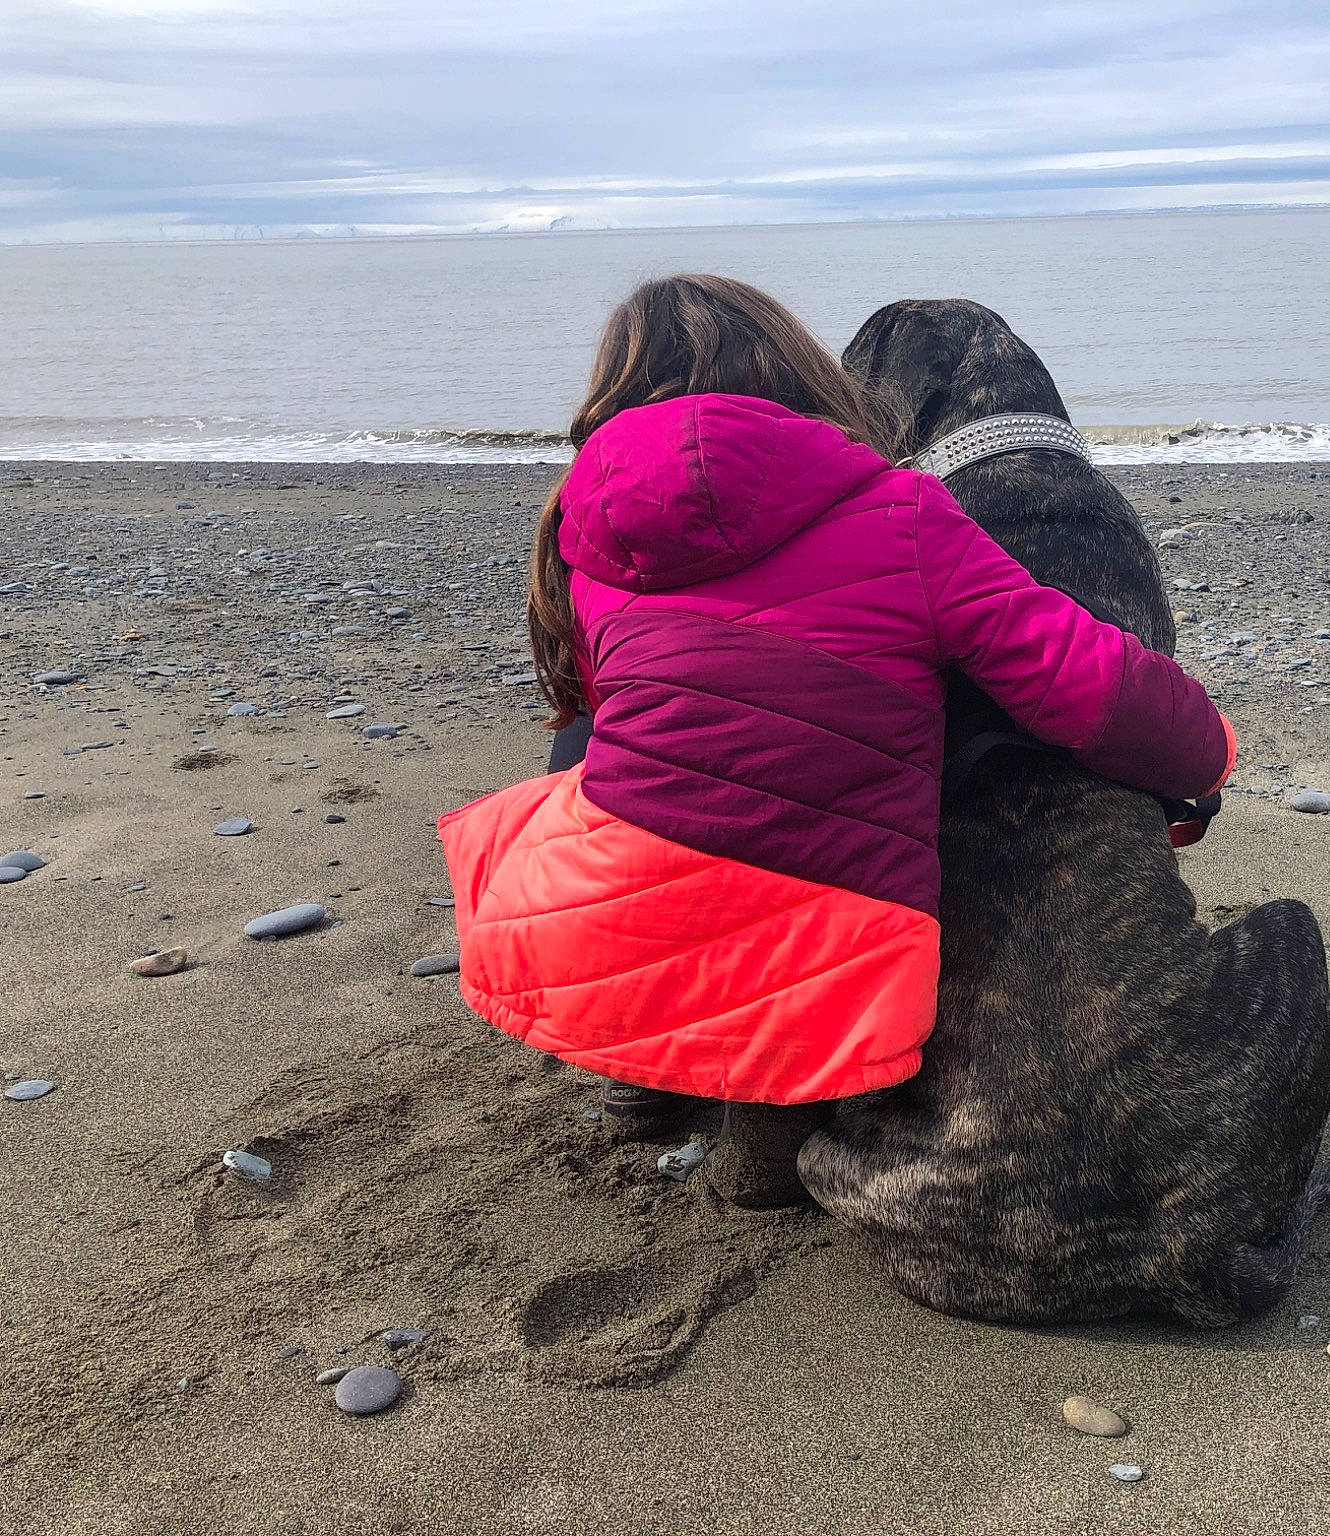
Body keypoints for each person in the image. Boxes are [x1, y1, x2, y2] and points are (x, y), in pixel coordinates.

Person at [436, 275, 1234, 1207]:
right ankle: (764, 1152)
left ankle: (638, 1072)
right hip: (828, 945)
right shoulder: (904, 511)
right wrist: (1204, 752)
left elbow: (603, 706)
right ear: (804, 373)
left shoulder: (583, 526)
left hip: (591, 923)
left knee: (594, 755)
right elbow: (1080, 679)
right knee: (805, 864)